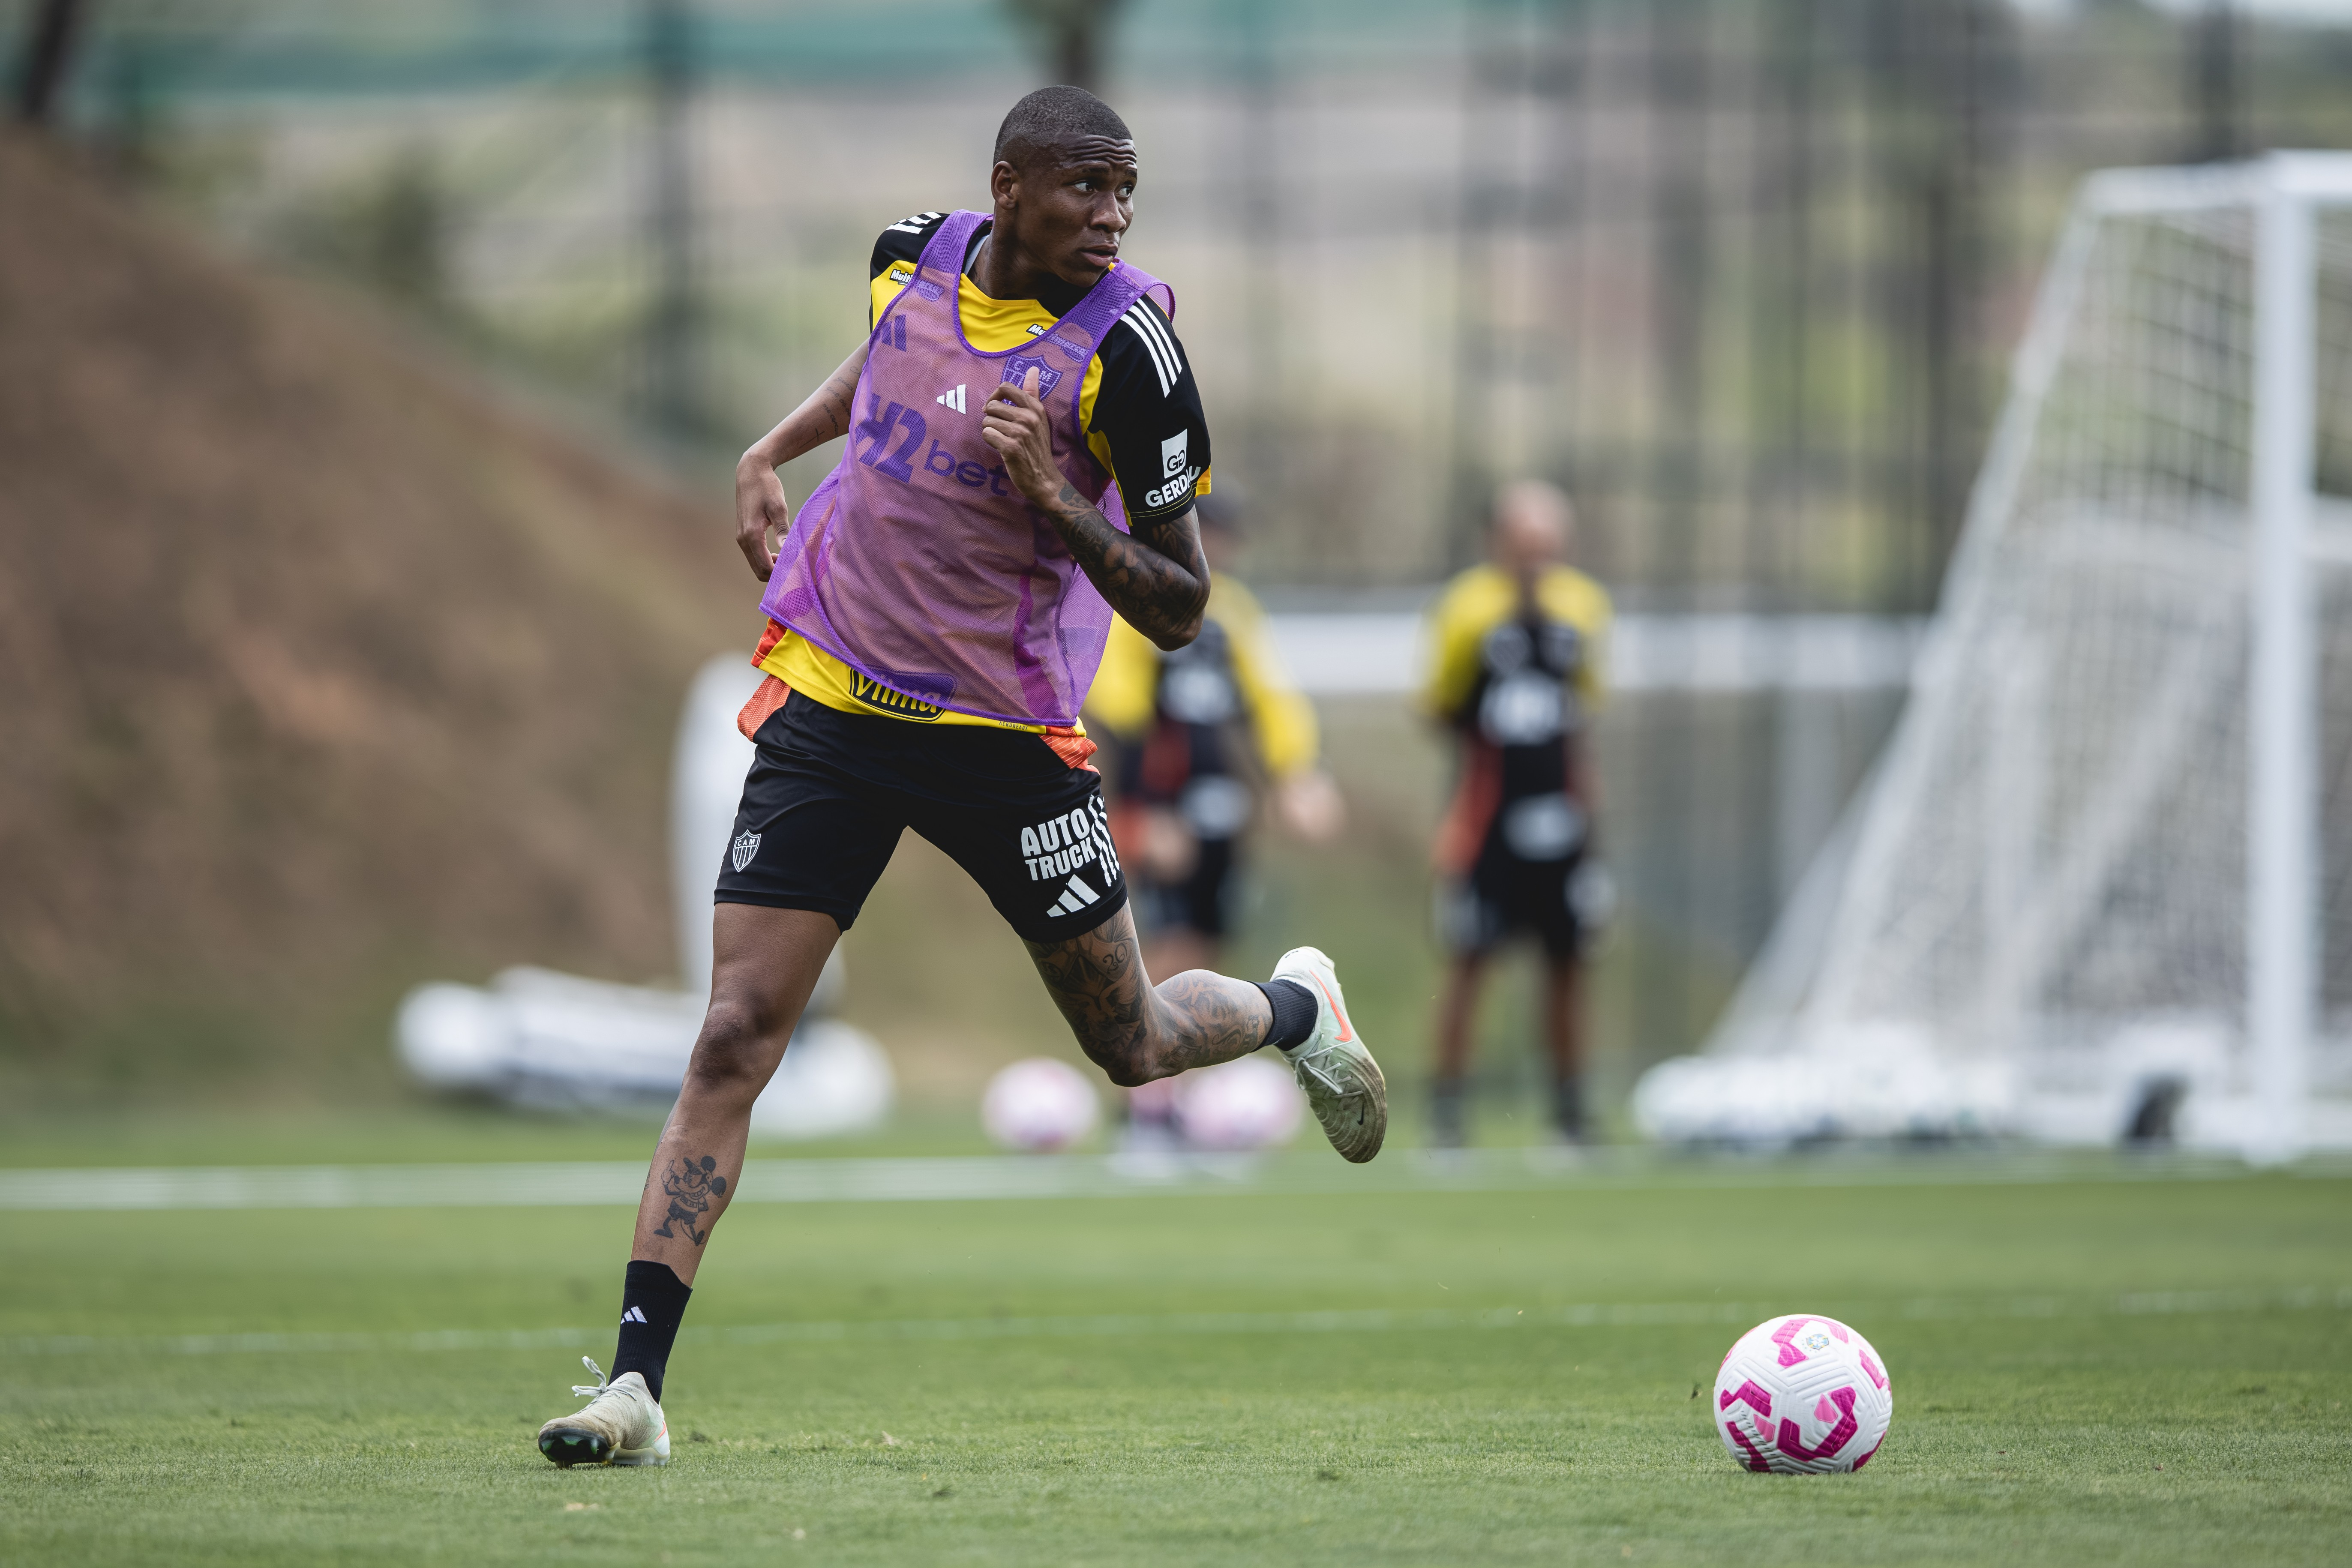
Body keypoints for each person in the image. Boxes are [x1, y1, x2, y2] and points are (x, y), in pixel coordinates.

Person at [535, 86, 1387, 1469]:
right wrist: (771, 447)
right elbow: (884, 363)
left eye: (1126, 192)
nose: (1111, 216)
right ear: (1007, 186)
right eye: (1085, 189)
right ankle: (632, 1387)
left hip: (1002, 736)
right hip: (835, 704)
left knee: (1133, 1046)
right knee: (735, 1033)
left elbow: (1180, 604)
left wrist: (1056, 499)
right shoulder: (906, 253)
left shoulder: (1135, 354)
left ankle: (1298, 1006)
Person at [1088, 492, 1345, 1145]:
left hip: (1222, 813)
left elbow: (1271, 701)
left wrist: (1298, 776)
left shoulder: (1232, 615)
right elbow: (1117, 714)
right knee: (1167, 945)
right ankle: (1146, 1107)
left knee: (1211, 941)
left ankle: (1186, 1097)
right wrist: (1144, 811)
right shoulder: (1141, 604)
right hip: (1165, 813)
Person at [1421, 481, 1612, 1150]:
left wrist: (1588, 808)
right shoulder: (1467, 609)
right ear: (1499, 542)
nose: (1539, 559)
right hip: (1489, 821)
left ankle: (1570, 1113)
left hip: (1561, 820)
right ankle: (1446, 1114)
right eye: (1527, 545)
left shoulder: (1583, 607)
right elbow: (1440, 707)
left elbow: (1582, 710)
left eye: (1550, 547)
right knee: (1471, 959)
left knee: (1568, 960)